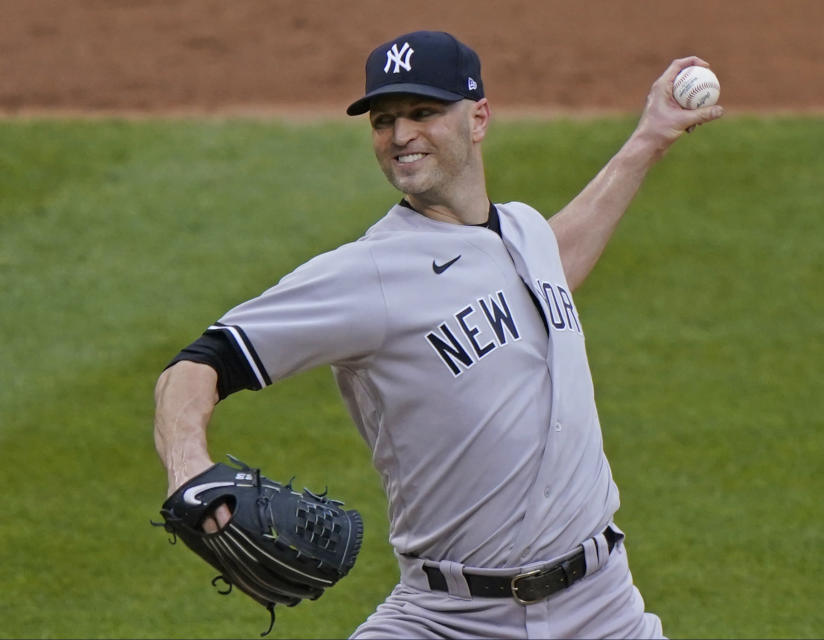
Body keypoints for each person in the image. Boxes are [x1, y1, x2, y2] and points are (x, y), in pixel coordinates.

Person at [154, 30, 723, 639]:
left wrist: (650, 138)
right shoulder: (368, 273)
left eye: (423, 113)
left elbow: (552, 264)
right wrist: (189, 469)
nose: (401, 136)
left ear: (478, 118)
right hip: (448, 618)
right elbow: (197, 365)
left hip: (604, 608)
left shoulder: (526, 233)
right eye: (384, 120)